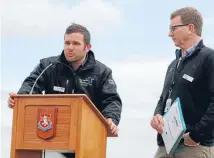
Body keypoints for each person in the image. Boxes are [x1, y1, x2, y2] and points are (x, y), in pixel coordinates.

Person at [8, 23, 122, 158]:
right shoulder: (48, 65)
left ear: (87, 47)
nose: (70, 48)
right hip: (51, 142)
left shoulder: (102, 72)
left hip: (87, 142)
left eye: (76, 43)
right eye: (67, 43)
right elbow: (31, 85)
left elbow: (112, 100)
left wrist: (110, 118)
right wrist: (22, 98)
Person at [150, 7, 214, 158]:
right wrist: (157, 115)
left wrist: (196, 134)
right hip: (165, 146)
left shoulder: (209, 59)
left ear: (190, 28)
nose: (169, 33)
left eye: (174, 28)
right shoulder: (173, 64)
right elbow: (163, 98)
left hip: (194, 147)